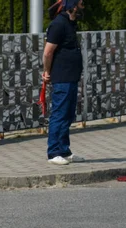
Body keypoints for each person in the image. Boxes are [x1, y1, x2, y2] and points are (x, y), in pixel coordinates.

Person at [43, 0, 85, 165]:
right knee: (59, 114)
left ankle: (64, 150)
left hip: (71, 77)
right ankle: (53, 152)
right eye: (81, 4)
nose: (83, 7)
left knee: (67, 115)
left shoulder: (70, 23)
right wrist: (47, 72)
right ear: (73, 6)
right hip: (62, 78)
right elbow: (48, 52)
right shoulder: (59, 24)